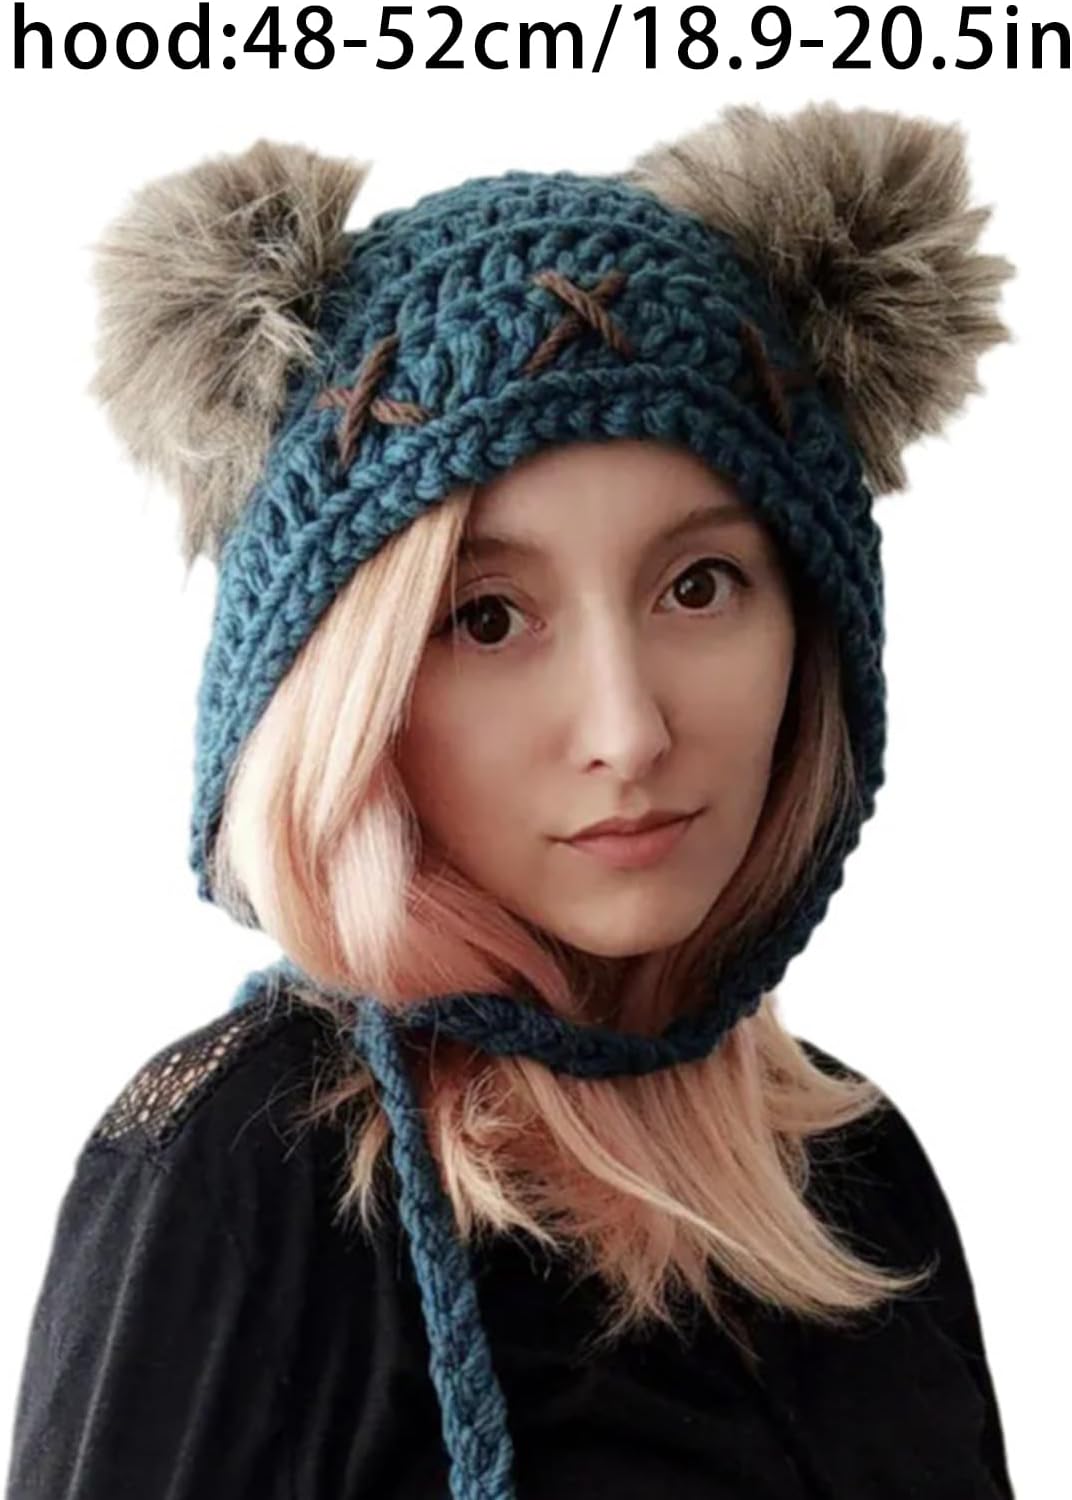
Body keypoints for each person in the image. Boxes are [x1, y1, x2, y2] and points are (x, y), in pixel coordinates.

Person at [5, 101, 1017, 1499]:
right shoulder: (245, 1165)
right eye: (485, 618)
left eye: (700, 585)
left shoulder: (858, 1166)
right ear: (347, 690)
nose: (628, 729)